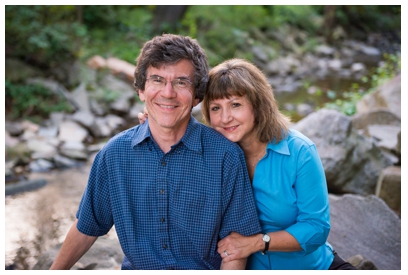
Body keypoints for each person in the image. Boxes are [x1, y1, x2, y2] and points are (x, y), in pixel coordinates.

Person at [50, 34, 261, 270]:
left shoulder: (225, 156)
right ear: (142, 90)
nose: (168, 92)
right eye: (157, 80)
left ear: (197, 96)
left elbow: (236, 249)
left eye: (181, 82)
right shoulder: (115, 154)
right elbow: (87, 227)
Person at [186, 59, 353, 270]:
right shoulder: (208, 153)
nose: (225, 118)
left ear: (258, 105)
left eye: (235, 105)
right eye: (216, 108)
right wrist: (155, 123)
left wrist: (257, 242)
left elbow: (316, 227)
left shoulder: (299, 151)